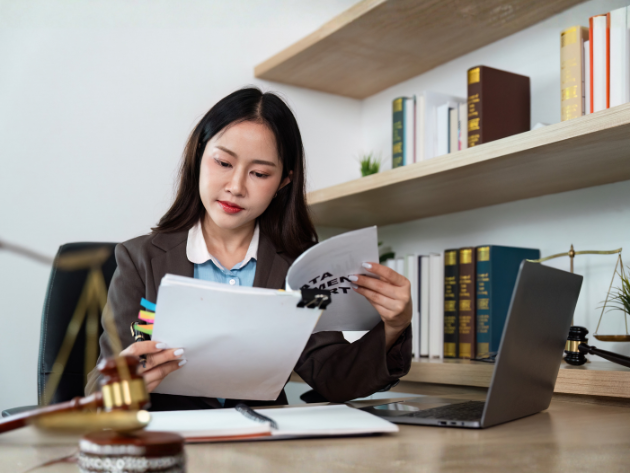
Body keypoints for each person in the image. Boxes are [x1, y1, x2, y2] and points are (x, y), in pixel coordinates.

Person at [86, 87, 412, 410]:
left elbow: (334, 376)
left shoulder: (298, 270)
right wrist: (120, 385)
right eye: (224, 163)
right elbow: (100, 388)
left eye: (259, 173)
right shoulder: (140, 260)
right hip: (171, 445)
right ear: (199, 155)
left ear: (284, 181)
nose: (236, 187)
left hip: (262, 448)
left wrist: (394, 326)